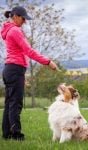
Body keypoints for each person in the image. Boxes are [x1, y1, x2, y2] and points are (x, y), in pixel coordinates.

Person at [0, 6, 58, 141]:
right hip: (14, 70)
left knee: (10, 103)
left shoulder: (9, 29)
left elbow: (18, 54)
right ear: (15, 16)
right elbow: (29, 51)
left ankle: (7, 133)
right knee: (15, 104)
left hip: (11, 70)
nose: (25, 21)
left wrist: (21, 75)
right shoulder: (15, 31)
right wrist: (48, 62)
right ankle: (16, 135)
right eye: (23, 18)